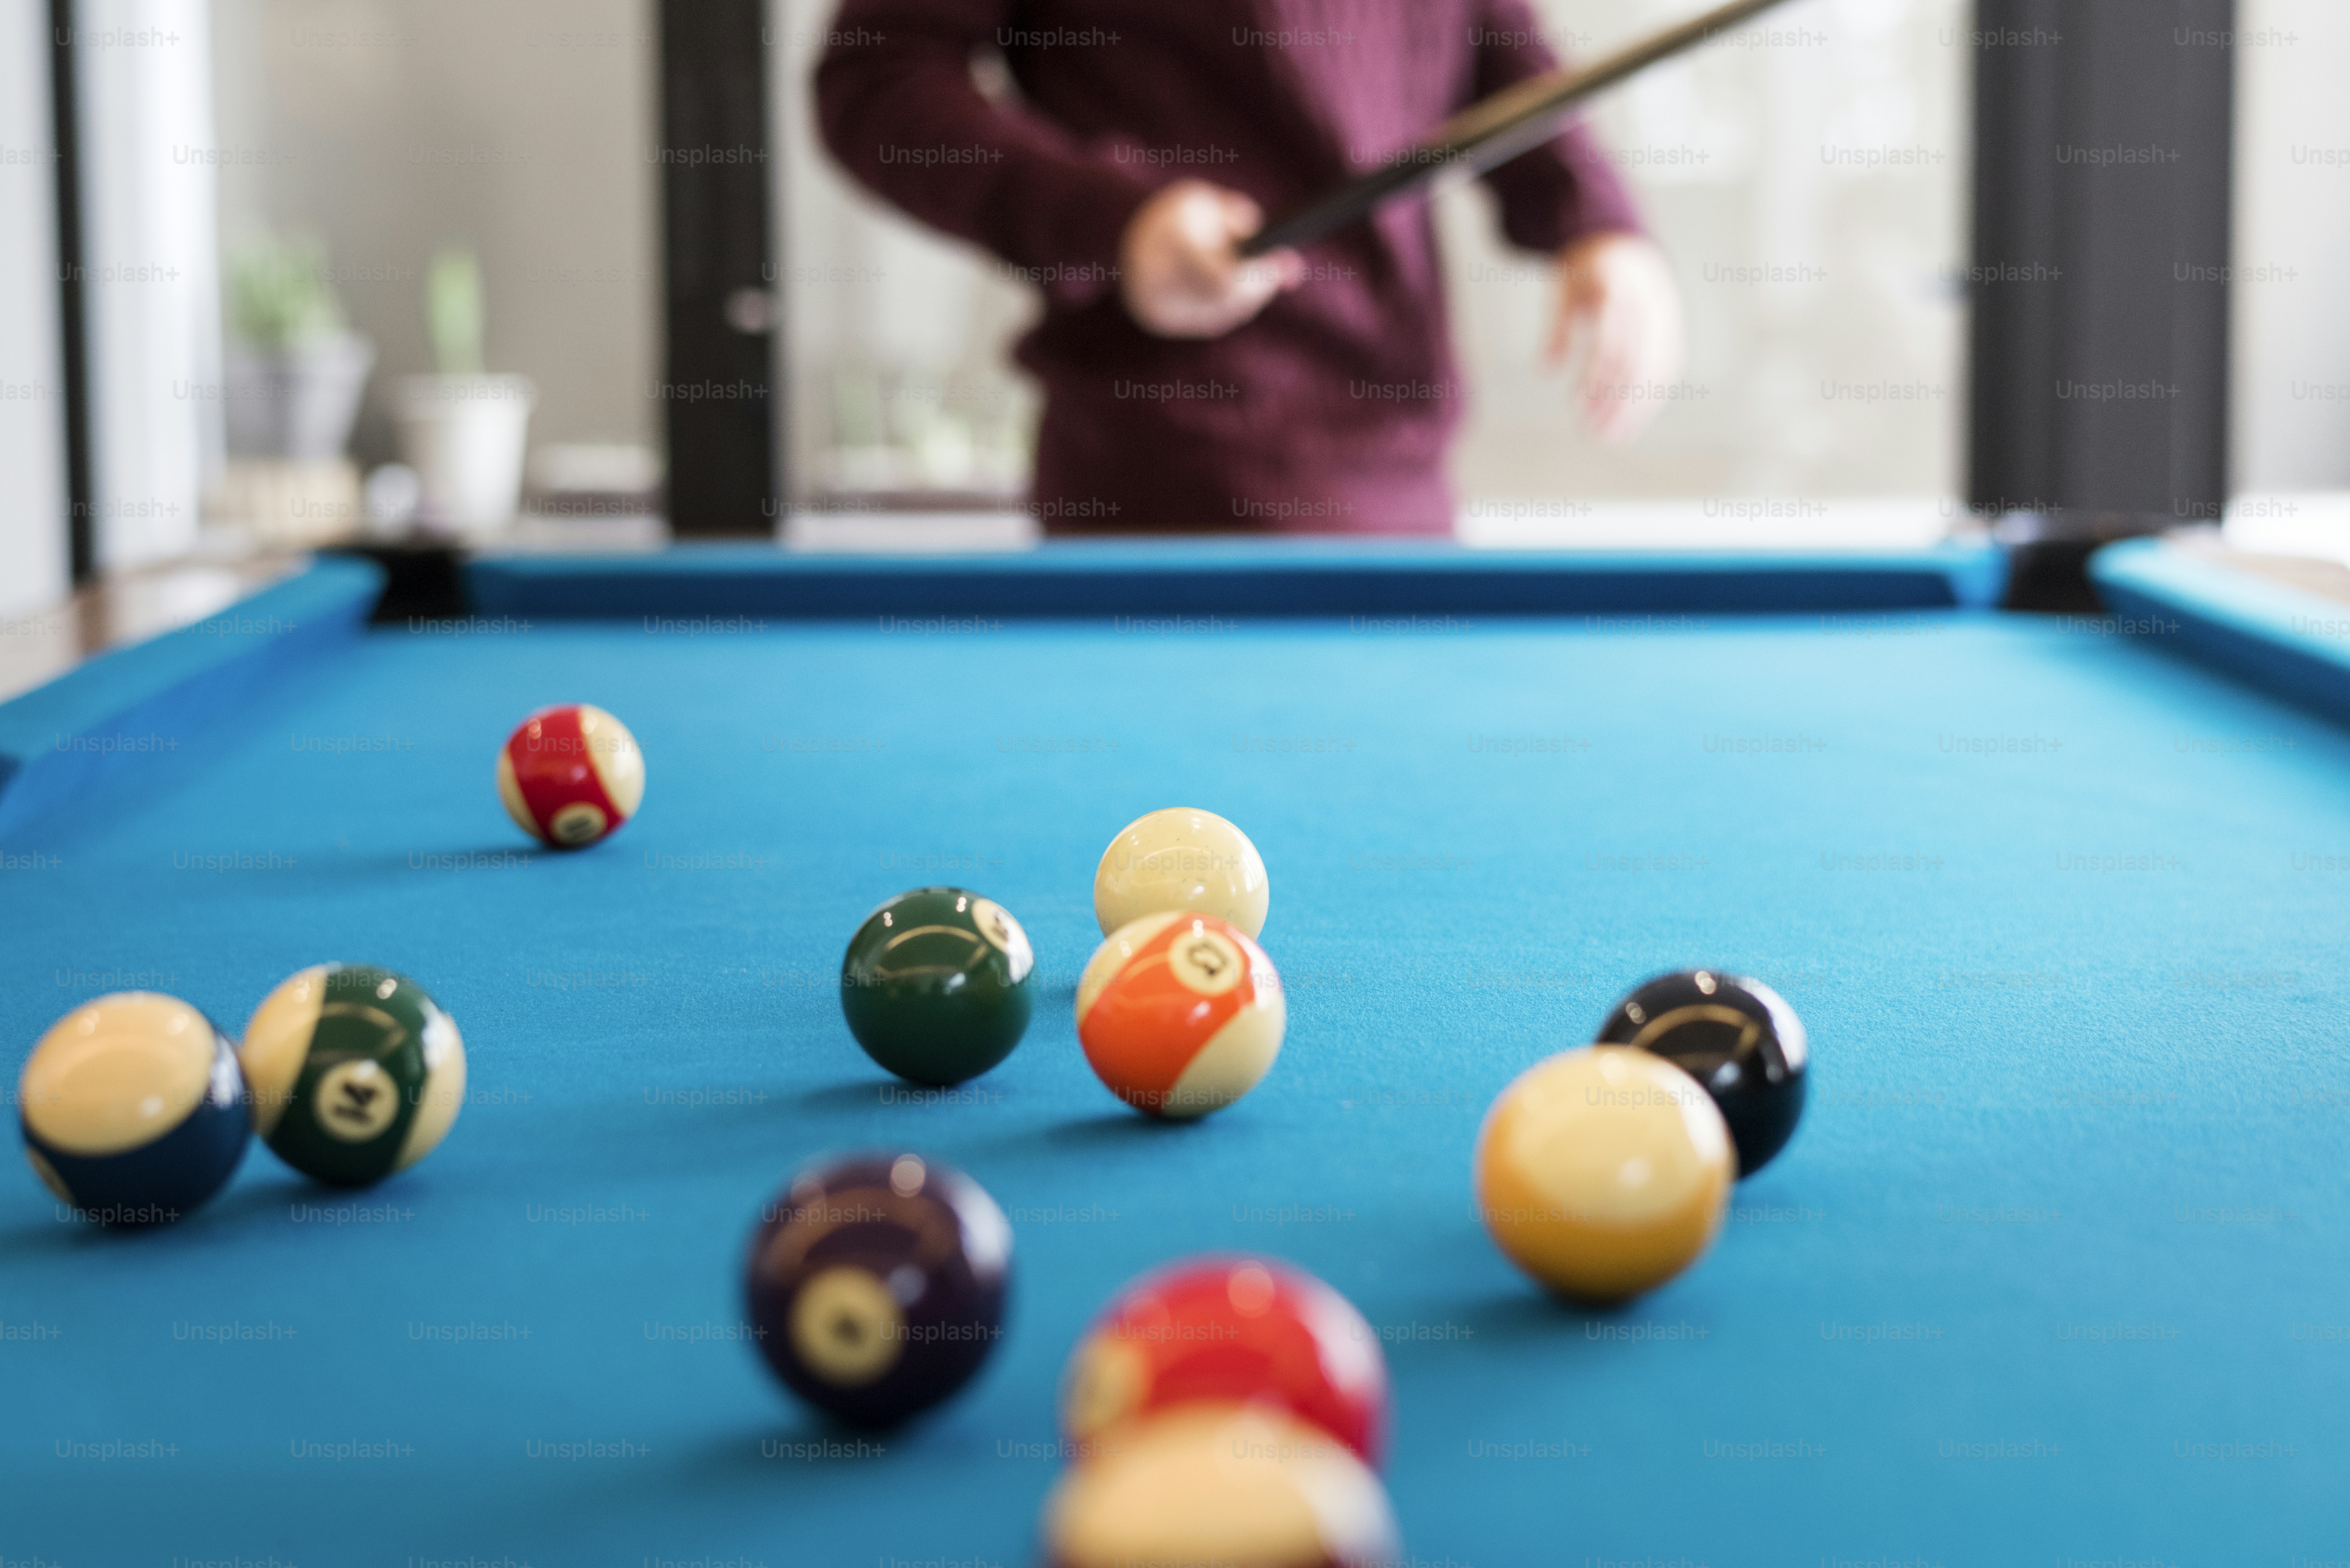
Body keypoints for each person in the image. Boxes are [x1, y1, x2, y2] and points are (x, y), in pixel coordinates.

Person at [816, 0, 1683, 533]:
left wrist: (1596, 224)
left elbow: (1492, 36)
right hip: (1162, 497)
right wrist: (1118, 220)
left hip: (1403, 486)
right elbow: (878, 81)